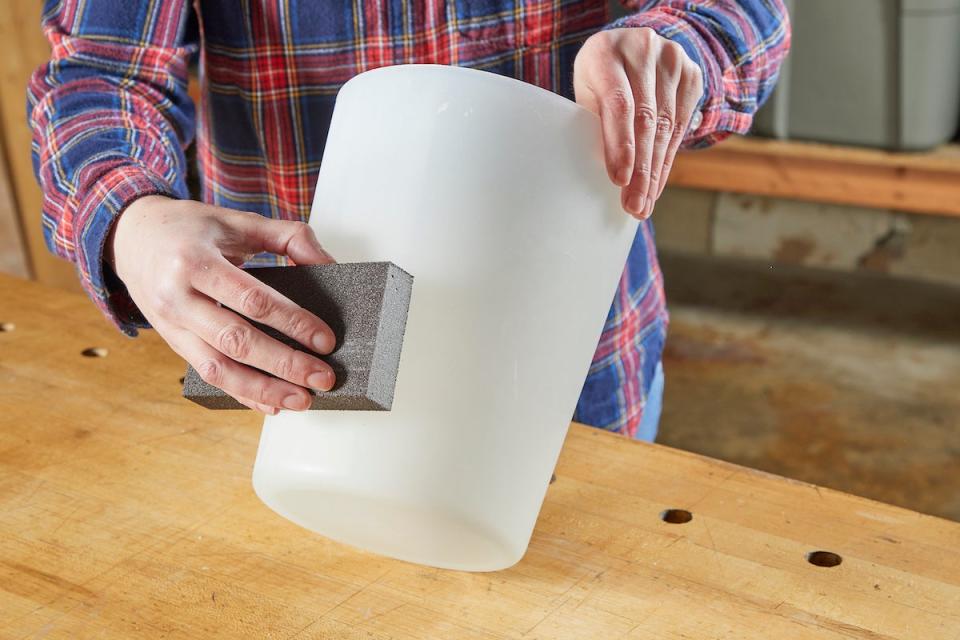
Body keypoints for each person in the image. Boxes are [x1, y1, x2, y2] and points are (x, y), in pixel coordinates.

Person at [28, 0, 789, 439]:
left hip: (573, 359)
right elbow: (102, 72)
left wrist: (679, 47)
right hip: (305, 359)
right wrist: (131, 215)